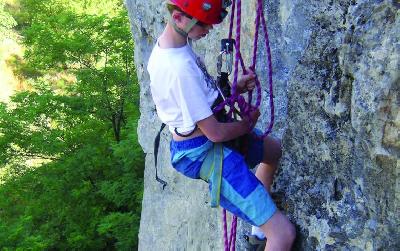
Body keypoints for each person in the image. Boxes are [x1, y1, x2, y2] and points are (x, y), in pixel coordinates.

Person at [147, 1, 296, 250]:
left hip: (207, 134)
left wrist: (234, 88)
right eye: (203, 23)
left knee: (274, 152)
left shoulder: (173, 48)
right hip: (203, 150)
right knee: (283, 234)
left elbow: (200, 97)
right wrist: (248, 124)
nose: (209, 29)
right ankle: (269, 232)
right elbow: (215, 133)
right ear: (178, 18)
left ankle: (258, 231)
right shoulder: (177, 69)